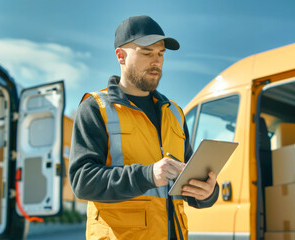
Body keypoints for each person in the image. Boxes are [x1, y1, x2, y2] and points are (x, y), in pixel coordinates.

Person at [69, 15, 219, 240]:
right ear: (121, 56)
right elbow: (82, 181)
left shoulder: (175, 113)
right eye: (147, 53)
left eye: (160, 54)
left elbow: (186, 180)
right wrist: (147, 175)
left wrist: (207, 193)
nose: (156, 61)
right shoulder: (96, 108)